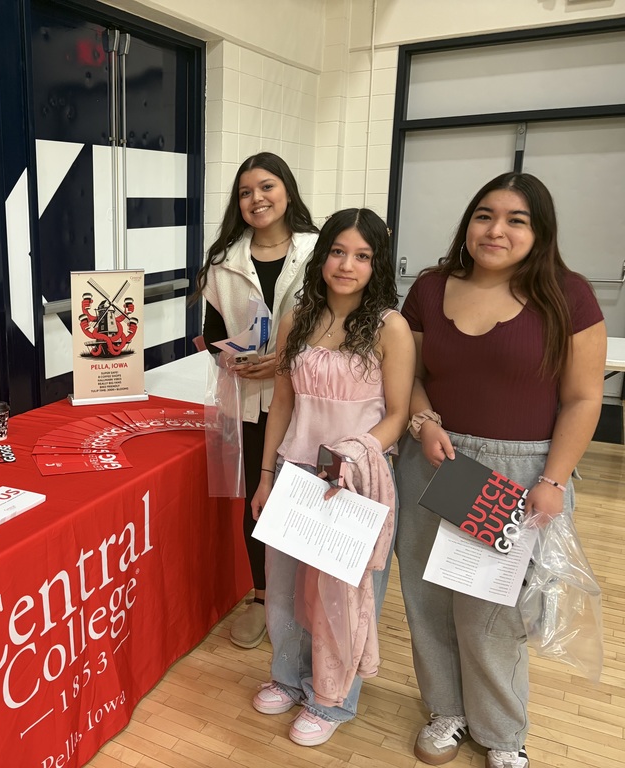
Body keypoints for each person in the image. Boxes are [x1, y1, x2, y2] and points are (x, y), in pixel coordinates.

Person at [395, 173, 606, 768]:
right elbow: (408, 375)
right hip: (434, 460)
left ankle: (502, 732)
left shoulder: (569, 296)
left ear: (539, 232)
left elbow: (585, 398)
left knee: (494, 610)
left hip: (513, 473)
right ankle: (446, 709)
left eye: (517, 219)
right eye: (485, 215)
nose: (496, 230)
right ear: (468, 223)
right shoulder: (431, 289)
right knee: (429, 596)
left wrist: (554, 479)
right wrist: (423, 420)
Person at [249, 208, 414, 746]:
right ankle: (288, 677)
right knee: (285, 587)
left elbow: (397, 414)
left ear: (377, 264)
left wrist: (354, 453)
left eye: (362, 256)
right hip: (297, 472)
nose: (347, 265)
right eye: (339, 252)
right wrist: (266, 474)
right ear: (323, 257)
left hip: (353, 480)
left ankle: (331, 697)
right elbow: (281, 403)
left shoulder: (391, 326)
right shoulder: (297, 316)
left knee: (339, 596)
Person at [193, 152, 319, 648]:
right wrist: (236, 360)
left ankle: (308, 598)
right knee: (259, 501)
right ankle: (265, 599)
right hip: (249, 402)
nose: (256, 199)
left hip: (308, 400)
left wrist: (286, 360)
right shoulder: (224, 263)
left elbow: (340, 325)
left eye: (266, 187)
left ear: (287, 190)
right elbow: (209, 335)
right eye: (245, 193)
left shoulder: (318, 251)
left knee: (309, 496)